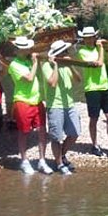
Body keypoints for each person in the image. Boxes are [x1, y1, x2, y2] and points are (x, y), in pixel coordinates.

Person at [7, 36, 52, 175]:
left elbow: (44, 54)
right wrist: (34, 63)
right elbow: (29, 78)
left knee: (42, 130)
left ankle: (42, 160)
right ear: (18, 50)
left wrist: (40, 58)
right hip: (23, 101)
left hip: (37, 100)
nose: (27, 50)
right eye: (24, 48)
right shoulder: (14, 64)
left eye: (27, 48)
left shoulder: (27, 60)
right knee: (24, 132)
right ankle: (24, 161)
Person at [76, 26, 108, 158]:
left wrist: (107, 50)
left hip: (105, 87)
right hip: (92, 89)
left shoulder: (100, 49)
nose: (89, 40)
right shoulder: (82, 51)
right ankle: (94, 144)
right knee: (94, 118)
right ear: (84, 39)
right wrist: (101, 48)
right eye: (86, 38)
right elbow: (99, 63)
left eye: (91, 37)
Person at [41, 39, 82, 175]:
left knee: (75, 132)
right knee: (56, 137)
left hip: (69, 104)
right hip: (55, 105)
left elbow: (78, 80)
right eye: (63, 52)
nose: (66, 53)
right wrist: (56, 65)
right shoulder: (47, 65)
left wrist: (70, 65)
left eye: (66, 51)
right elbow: (52, 83)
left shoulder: (67, 66)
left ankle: (62, 155)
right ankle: (59, 163)